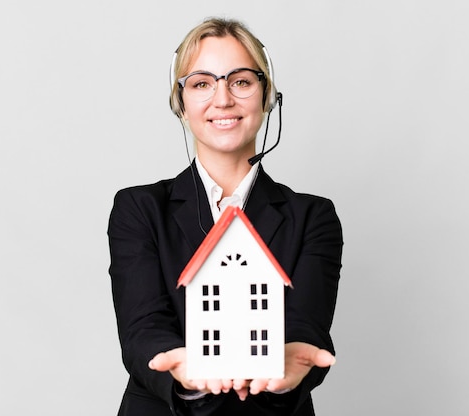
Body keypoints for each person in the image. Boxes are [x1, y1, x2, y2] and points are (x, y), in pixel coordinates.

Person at [108, 17, 343, 416]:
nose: (222, 99)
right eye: (201, 83)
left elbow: (305, 325)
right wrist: (186, 373)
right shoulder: (139, 209)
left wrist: (287, 366)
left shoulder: (313, 216)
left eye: (241, 81)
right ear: (180, 104)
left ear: (267, 96)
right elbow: (142, 328)